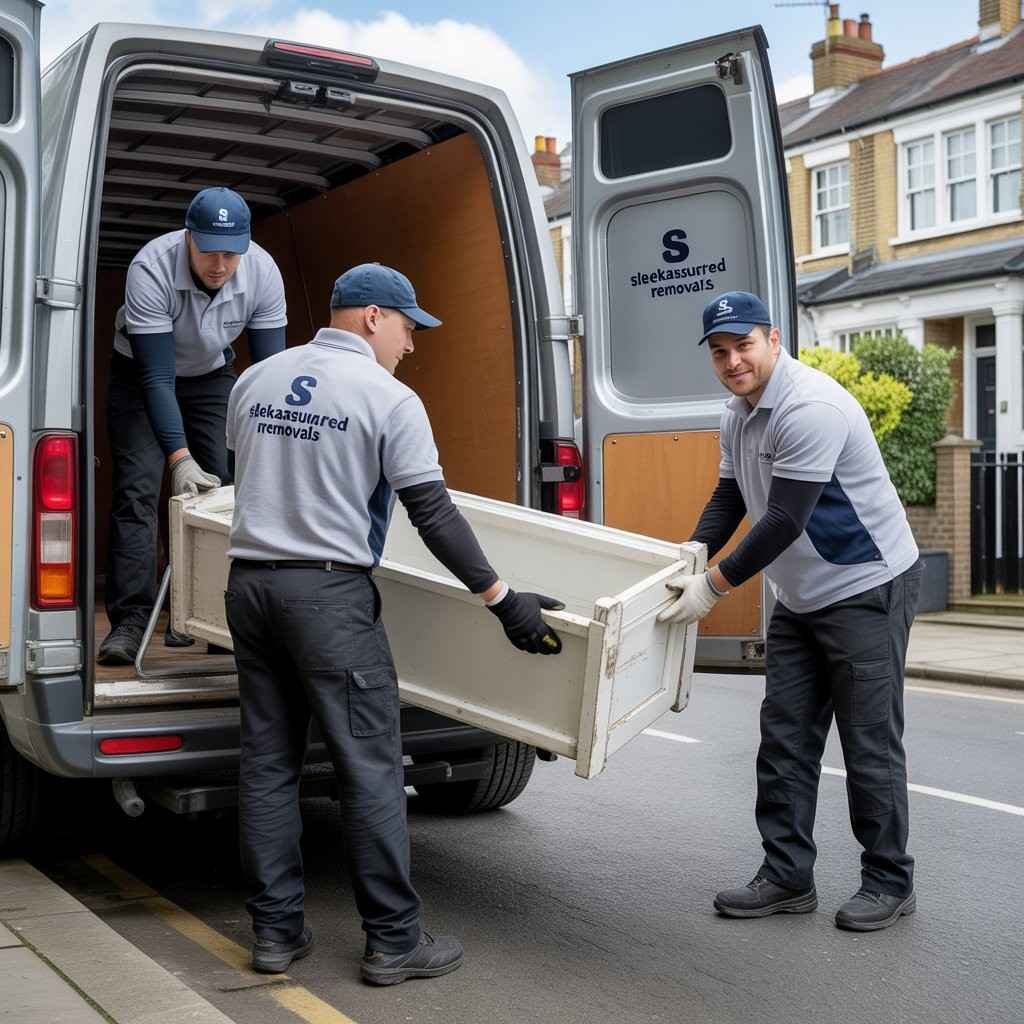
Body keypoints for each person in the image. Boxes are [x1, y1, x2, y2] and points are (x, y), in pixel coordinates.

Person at [223, 263, 564, 984]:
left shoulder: (255, 380)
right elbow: (432, 513)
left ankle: (276, 936)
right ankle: (393, 940)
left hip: (249, 586)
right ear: (373, 317)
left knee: (268, 765)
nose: (411, 345)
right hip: (328, 598)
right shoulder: (389, 397)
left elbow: (257, 478)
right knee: (370, 768)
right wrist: (504, 599)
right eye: (409, 328)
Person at [659, 291, 922, 933]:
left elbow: (782, 518)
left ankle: (889, 881)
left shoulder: (812, 408)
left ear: (773, 339)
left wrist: (714, 587)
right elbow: (731, 497)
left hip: (865, 586)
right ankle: (786, 876)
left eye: (743, 345)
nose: (732, 361)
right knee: (784, 739)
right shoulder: (736, 413)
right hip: (801, 597)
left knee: (868, 743)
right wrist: (694, 553)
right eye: (720, 352)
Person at [98, 187, 288, 665]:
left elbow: (269, 376)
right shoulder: (151, 268)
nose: (220, 264)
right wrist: (179, 459)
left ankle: (199, 617)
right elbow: (157, 379)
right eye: (208, 250)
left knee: (220, 493)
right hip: (142, 376)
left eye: (231, 252)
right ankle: (132, 620)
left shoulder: (263, 272)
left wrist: (270, 448)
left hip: (210, 375)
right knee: (139, 490)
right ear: (188, 237)